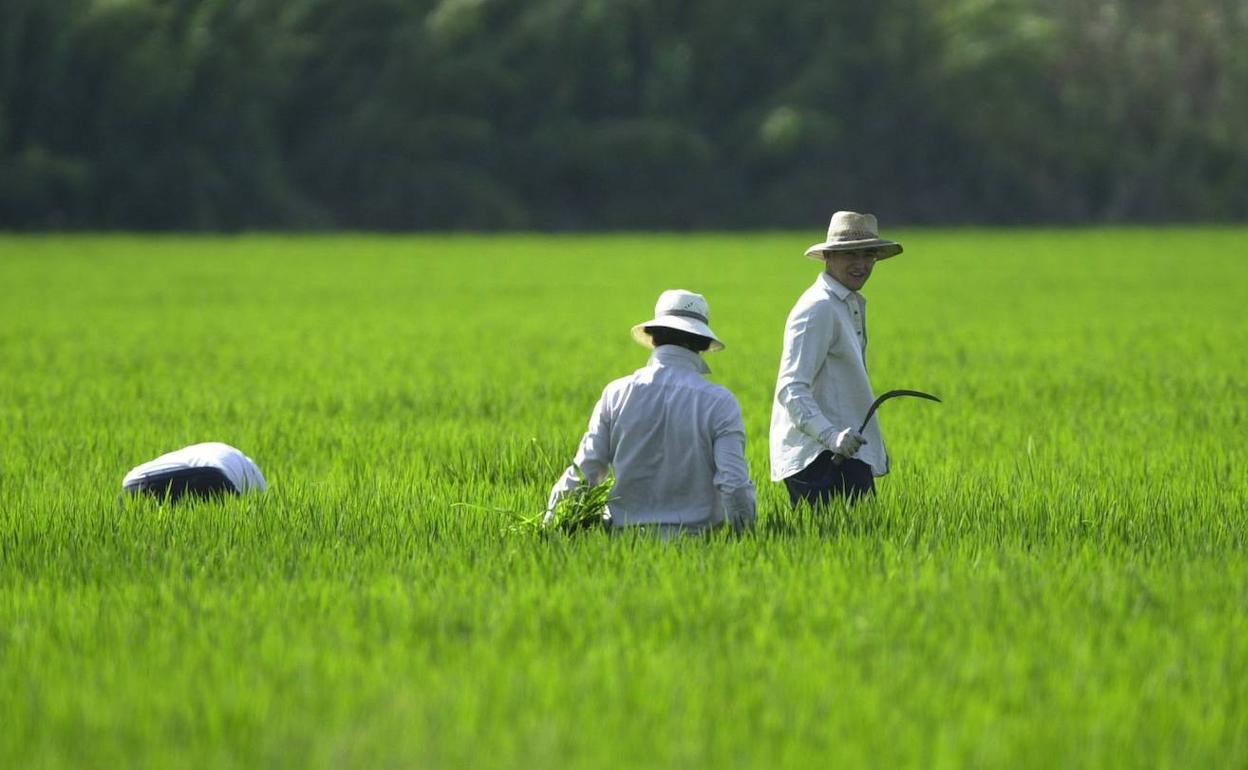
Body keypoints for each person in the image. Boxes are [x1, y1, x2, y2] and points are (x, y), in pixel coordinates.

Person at [546, 289, 756, 536]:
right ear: (702, 343)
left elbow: (586, 470)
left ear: (653, 338)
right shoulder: (719, 402)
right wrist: (748, 538)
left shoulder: (617, 393)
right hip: (698, 545)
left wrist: (548, 525)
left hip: (621, 544)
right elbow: (733, 484)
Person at [770, 211, 902, 508]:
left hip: (847, 451)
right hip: (820, 458)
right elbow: (791, 388)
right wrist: (831, 437)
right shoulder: (818, 308)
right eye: (850, 254)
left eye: (868, 254)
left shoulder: (844, 304)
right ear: (829, 256)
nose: (862, 264)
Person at [122, 442, 267, 502]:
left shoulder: (213, 449)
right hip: (207, 475)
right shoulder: (255, 475)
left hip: (134, 480)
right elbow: (251, 512)